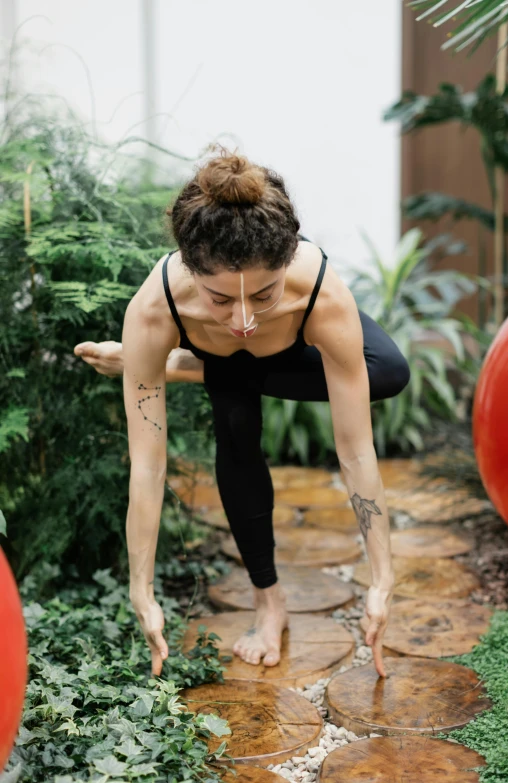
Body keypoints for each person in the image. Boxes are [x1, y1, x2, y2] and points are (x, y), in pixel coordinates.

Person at [74, 145, 410, 680]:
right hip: (208, 352)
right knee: (235, 427)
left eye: (264, 293)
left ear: (288, 259)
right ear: (190, 270)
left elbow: (353, 448)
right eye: (220, 300)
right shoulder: (156, 308)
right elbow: (148, 464)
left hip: (282, 347)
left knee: (389, 372)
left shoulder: (319, 290)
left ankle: (172, 366)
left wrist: (382, 578)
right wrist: (142, 588)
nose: (245, 320)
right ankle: (267, 602)